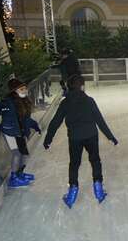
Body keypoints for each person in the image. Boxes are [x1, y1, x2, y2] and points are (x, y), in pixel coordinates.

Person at [43, 75, 118, 208]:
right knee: (95, 160)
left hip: (75, 137)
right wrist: (110, 136)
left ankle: (72, 193)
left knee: (74, 163)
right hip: (91, 135)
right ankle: (98, 189)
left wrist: (48, 139)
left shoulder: (65, 102)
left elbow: (56, 122)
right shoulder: (89, 100)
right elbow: (100, 120)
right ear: (82, 86)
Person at [0, 79, 41, 188]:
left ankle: (19, 174)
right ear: (14, 91)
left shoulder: (24, 101)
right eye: (21, 89)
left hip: (20, 131)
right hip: (10, 132)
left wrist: (35, 125)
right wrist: (1, 124)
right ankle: (13, 179)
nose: (25, 91)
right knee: (17, 153)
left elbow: (26, 119)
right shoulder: (7, 102)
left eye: (25, 88)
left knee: (24, 153)